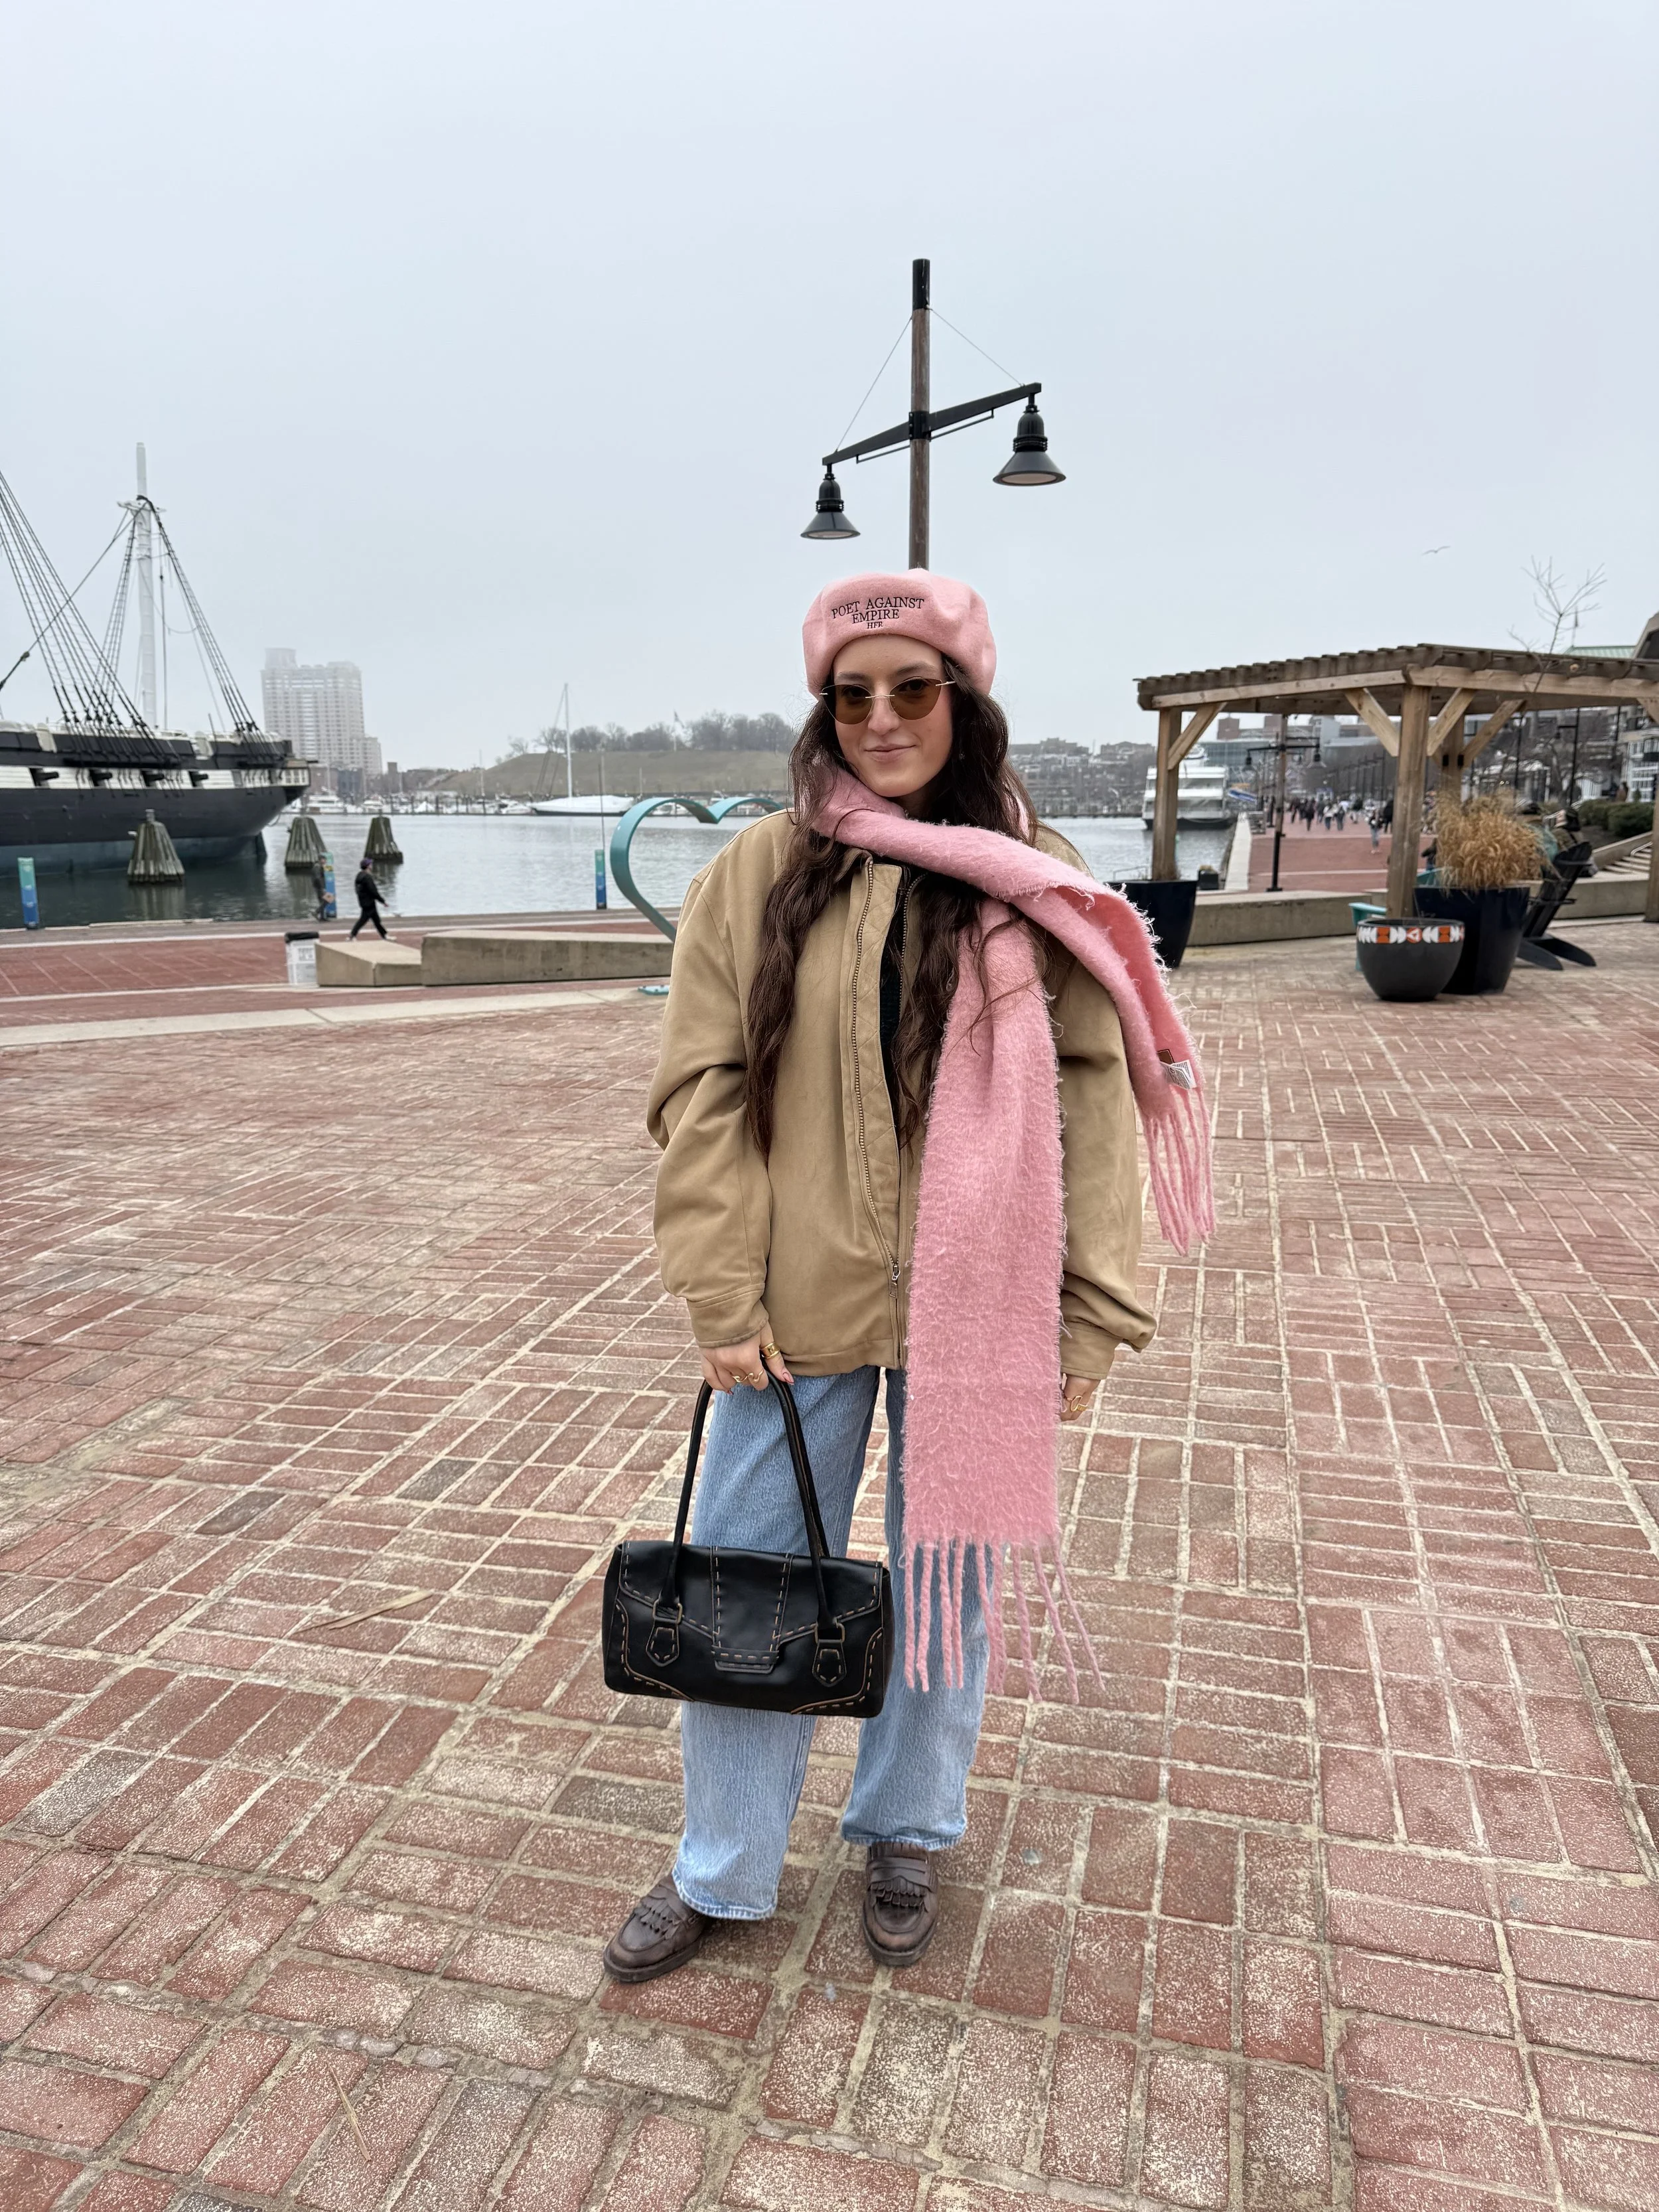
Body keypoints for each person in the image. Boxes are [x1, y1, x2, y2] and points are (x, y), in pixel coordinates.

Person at [602, 571, 1212, 1987]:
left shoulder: (1035, 875)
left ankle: (904, 1826)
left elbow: (1090, 1102)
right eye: (849, 692)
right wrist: (717, 1282)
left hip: (978, 1302)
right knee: (745, 1569)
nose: (880, 718)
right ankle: (723, 1864)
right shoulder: (756, 872)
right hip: (793, 1298)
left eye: (912, 688)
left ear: (966, 702)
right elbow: (697, 1087)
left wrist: (1093, 1307)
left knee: (948, 1582)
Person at [350, 861, 390, 939]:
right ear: (368, 866)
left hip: (363, 901)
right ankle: (353, 934)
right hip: (369, 903)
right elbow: (373, 891)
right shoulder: (367, 877)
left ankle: (384, 935)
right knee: (363, 920)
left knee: (377, 920)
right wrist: (382, 901)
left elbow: (357, 890)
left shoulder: (359, 876)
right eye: (370, 864)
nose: (372, 865)